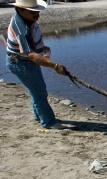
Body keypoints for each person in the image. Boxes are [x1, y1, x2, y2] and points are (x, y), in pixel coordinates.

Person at [5, 0, 70, 129]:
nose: (37, 15)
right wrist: (55, 66)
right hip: (21, 63)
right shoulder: (22, 28)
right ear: (21, 10)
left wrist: (44, 52)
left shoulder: (27, 20)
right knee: (39, 92)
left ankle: (39, 116)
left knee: (36, 90)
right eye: (33, 12)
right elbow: (31, 55)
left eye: (37, 11)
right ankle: (48, 122)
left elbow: (35, 48)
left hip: (25, 61)